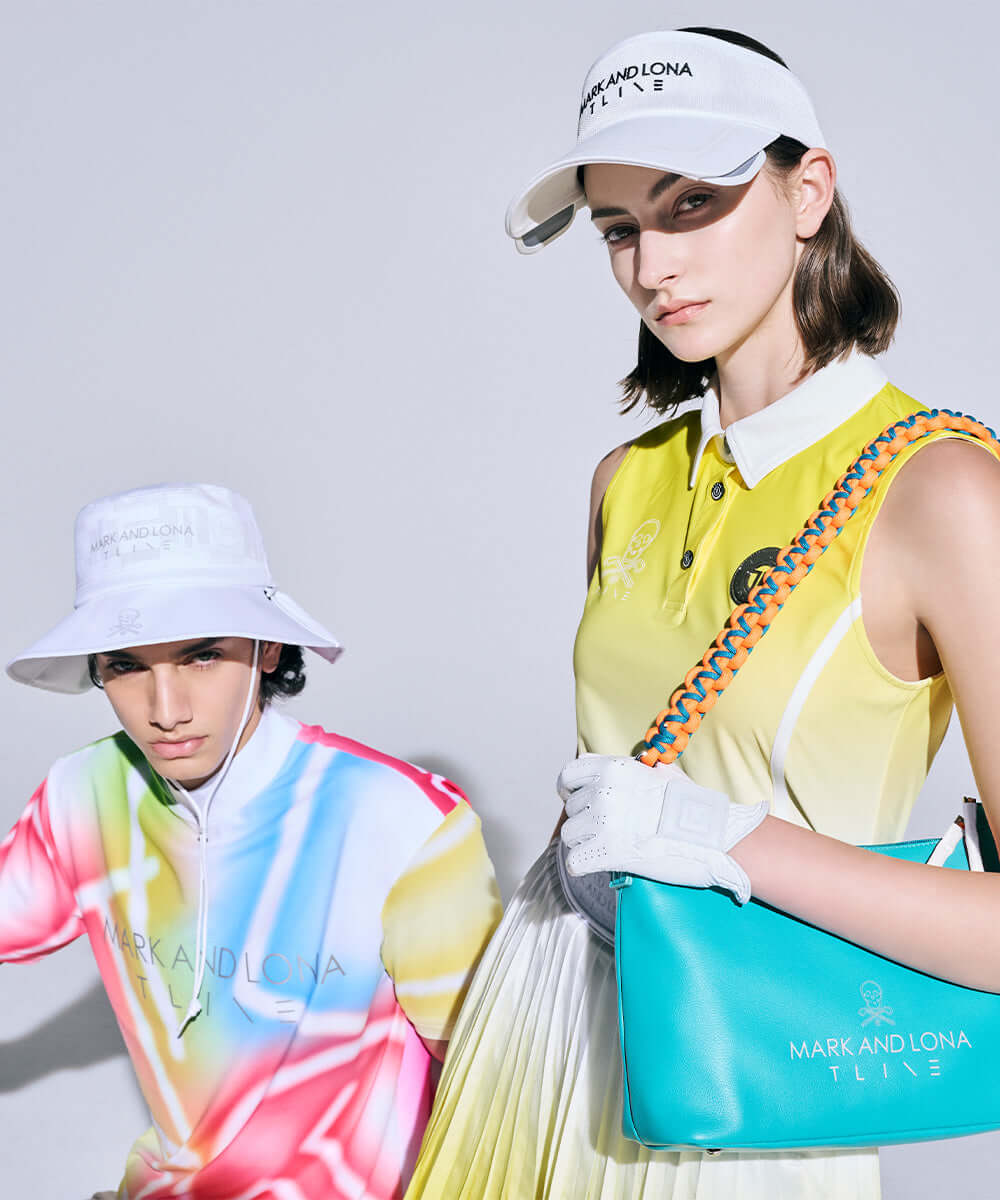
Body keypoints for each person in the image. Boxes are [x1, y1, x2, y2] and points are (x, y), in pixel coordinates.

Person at [405, 26, 1000, 1200]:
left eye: (691, 204)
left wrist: (721, 838)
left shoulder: (940, 492)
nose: (651, 267)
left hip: (741, 1083)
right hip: (541, 1034)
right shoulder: (623, 481)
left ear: (806, 191)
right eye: (618, 228)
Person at [1, 482, 502, 1200]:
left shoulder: (398, 816)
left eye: (203, 656)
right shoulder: (83, 793)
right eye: (127, 665)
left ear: (268, 649)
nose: (165, 710)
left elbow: (493, 1080)